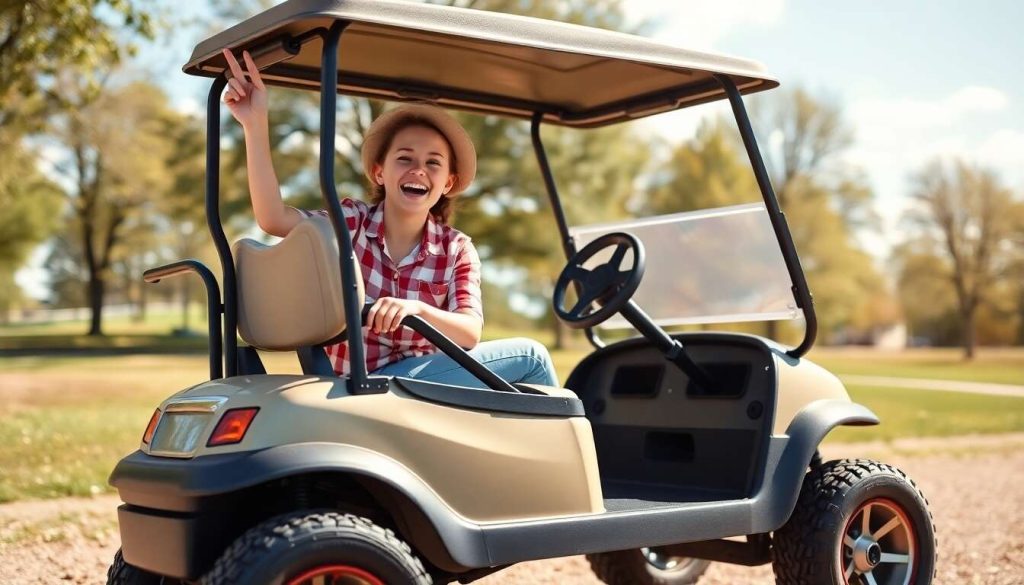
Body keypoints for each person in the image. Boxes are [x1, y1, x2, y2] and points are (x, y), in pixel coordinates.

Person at [221, 49, 558, 389]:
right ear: (380, 172)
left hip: (425, 380)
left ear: (448, 183)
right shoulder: (350, 223)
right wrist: (255, 124)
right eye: (405, 158)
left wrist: (416, 310)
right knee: (532, 358)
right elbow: (273, 218)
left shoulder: (456, 249)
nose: (418, 170)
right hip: (362, 382)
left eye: (433, 163)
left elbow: (470, 331)